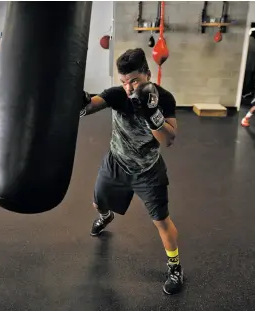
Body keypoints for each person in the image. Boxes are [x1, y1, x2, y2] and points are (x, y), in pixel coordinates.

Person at [80, 48, 183, 295]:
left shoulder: (164, 98)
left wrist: (152, 116)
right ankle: (106, 217)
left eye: (134, 80)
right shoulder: (118, 95)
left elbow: (168, 139)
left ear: (147, 74)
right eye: (124, 81)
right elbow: (90, 107)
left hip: (147, 170)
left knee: (161, 221)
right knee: (97, 203)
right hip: (116, 162)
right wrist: (80, 99)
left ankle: (175, 266)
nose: (128, 87)